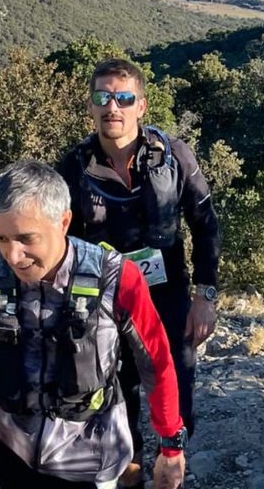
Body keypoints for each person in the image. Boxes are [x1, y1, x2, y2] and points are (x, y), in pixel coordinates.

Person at [0, 161, 188, 489]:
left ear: (63, 222)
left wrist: (170, 445)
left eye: (26, 238)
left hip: (95, 465)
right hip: (14, 458)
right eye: (1, 238)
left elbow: (156, 361)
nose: (12, 254)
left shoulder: (116, 278)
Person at [56, 58, 220, 488]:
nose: (113, 106)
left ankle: (172, 472)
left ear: (141, 105)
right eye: (103, 97)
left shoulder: (174, 156)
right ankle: (129, 477)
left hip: (167, 296)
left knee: (177, 391)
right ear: (91, 107)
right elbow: (53, 239)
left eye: (124, 97)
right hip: (102, 301)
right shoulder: (72, 168)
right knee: (116, 396)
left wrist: (205, 297)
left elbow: (205, 225)